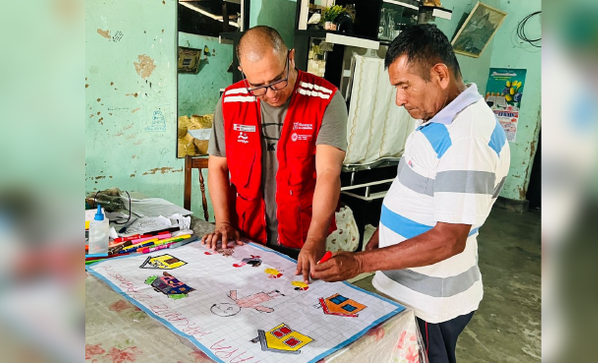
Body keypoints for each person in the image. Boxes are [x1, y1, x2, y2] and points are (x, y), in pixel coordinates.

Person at [312, 24, 511, 363]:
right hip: (414, 290)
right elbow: (426, 193)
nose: (398, 99)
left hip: (430, 301)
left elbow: (449, 239)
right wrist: (384, 236)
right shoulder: (445, 117)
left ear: (440, 74)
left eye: (404, 86)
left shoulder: (465, 138)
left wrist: (360, 261)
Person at [201, 26, 348, 284]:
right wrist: (223, 222)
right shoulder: (230, 101)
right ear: (242, 72)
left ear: (290, 58)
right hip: (245, 236)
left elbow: (328, 173)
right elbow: (218, 167)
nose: (271, 93)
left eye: (277, 80)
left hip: (303, 238)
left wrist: (315, 239)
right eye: (258, 86)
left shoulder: (325, 99)